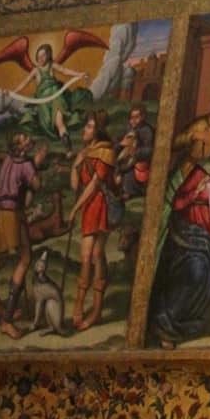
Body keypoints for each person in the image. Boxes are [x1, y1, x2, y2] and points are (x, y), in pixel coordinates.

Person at [150, 131, 210, 348]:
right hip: (187, 233)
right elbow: (178, 203)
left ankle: (183, 325)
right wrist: (197, 192)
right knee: (195, 271)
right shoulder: (201, 171)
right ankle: (166, 323)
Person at [0, 131, 46, 340]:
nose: (28, 139)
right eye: (24, 138)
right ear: (20, 146)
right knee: (25, 258)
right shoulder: (26, 163)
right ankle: (7, 321)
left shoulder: (8, 160)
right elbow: (37, 186)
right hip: (11, 212)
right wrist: (37, 165)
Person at [68, 108, 118, 331]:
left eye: (89, 126)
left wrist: (74, 209)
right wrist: (75, 164)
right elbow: (76, 186)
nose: (85, 130)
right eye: (86, 126)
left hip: (101, 205)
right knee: (89, 256)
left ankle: (93, 310)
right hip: (89, 205)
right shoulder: (86, 152)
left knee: (93, 255)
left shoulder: (106, 152)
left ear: (98, 130)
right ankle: (81, 306)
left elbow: (95, 185)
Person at [116, 104, 155, 201]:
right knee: (118, 164)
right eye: (131, 117)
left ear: (143, 117)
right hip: (126, 156)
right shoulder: (128, 128)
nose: (133, 120)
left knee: (130, 170)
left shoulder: (147, 130)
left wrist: (136, 152)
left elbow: (149, 150)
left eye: (136, 117)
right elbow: (118, 140)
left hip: (140, 160)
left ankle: (128, 192)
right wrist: (121, 144)